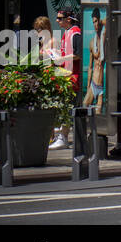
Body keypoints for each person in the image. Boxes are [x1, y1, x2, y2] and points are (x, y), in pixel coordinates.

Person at [49, 9, 81, 149]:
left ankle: (63, 137)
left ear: (68, 19)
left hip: (73, 76)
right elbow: (67, 53)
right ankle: (62, 136)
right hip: (66, 75)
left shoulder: (75, 33)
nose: (57, 20)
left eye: (60, 18)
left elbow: (77, 55)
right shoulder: (68, 33)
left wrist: (61, 58)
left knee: (68, 107)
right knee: (64, 106)